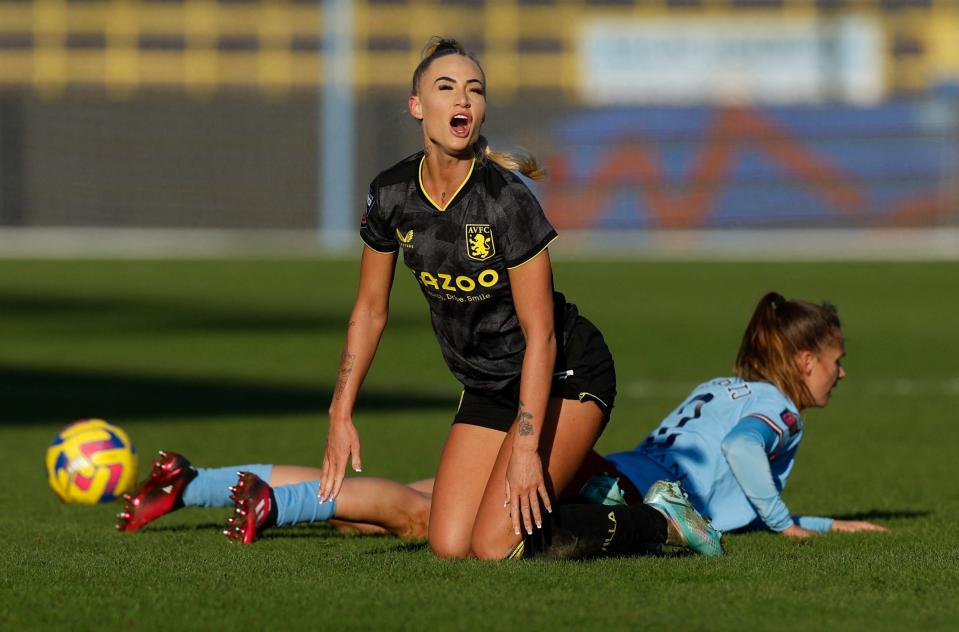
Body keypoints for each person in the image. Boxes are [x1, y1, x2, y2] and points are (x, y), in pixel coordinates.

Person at [117, 37, 724, 560]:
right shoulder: (391, 197)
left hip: (566, 374)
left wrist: (525, 446)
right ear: (417, 106)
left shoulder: (507, 202)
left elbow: (540, 334)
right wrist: (339, 411)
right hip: (489, 386)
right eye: (445, 86)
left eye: (475, 89)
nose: (463, 99)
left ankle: (657, 521)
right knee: (447, 540)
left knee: (495, 546)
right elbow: (369, 311)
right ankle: (593, 487)